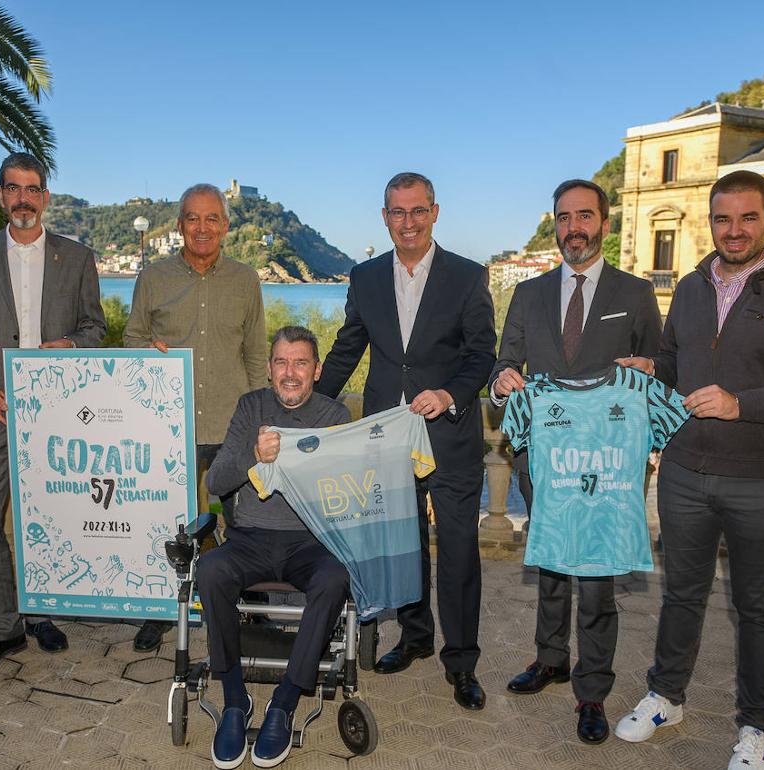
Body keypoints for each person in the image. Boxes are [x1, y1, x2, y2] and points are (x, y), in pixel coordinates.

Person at [613, 170, 764, 769]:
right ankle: (666, 697)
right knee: (682, 596)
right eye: (724, 218)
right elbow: (674, 361)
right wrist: (651, 367)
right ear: (710, 222)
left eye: (748, 218)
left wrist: (743, 405)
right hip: (685, 473)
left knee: (758, 606)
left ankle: (757, 729)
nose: (735, 229)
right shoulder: (691, 288)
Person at [316, 172, 496, 710]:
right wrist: (307, 406)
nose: (409, 222)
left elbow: (480, 353)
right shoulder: (365, 277)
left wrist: (451, 393)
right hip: (385, 437)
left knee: (460, 550)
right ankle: (415, 638)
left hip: (449, 434)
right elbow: (347, 348)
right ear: (385, 217)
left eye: (418, 211)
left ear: (435, 212)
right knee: (404, 543)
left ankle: (461, 661)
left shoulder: (467, 277)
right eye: (398, 212)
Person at [490, 179, 661, 744]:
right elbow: (502, 365)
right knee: (551, 566)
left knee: (596, 582)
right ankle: (549, 660)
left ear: (604, 223)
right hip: (544, 461)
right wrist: (502, 380)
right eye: (563, 218)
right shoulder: (529, 294)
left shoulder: (635, 294)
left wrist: (651, 368)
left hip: (607, 466)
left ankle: (592, 690)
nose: (573, 228)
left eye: (583, 216)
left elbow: (663, 368)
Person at [0, 152, 106, 674]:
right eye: (13, 189)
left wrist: (67, 347)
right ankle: (4, 626)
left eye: (32, 189)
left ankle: (43, 614)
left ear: (46, 198)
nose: (23, 199)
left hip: (56, 414)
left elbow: (96, 329)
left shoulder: (77, 257)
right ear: (0, 195)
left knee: (49, 519)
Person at [124, 182, 267, 652]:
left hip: (232, 426)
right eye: (192, 218)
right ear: (179, 225)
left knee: (242, 522)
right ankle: (166, 609)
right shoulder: (152, 278)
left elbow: (255, 354)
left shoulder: (246, 280)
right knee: (173, 524)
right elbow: (132, 343)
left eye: (212, 219)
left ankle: (250, 607)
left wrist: (260, 419)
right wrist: (148, 350)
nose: (202, 227)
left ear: (226, 226)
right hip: (171, 425)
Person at [200, 326, 351, 769]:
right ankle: (234, 700)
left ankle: (283, 702)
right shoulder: (251, 407)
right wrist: (254, 455)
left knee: (335, 578)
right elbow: (216, 481)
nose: (290, 373)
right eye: (282, 362)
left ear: (317, 370)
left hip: (311, 542)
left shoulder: (335, 416)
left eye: (300, 363)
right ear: (269, 368)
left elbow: (347, 489)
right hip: (250, 538)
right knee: (209, 571)